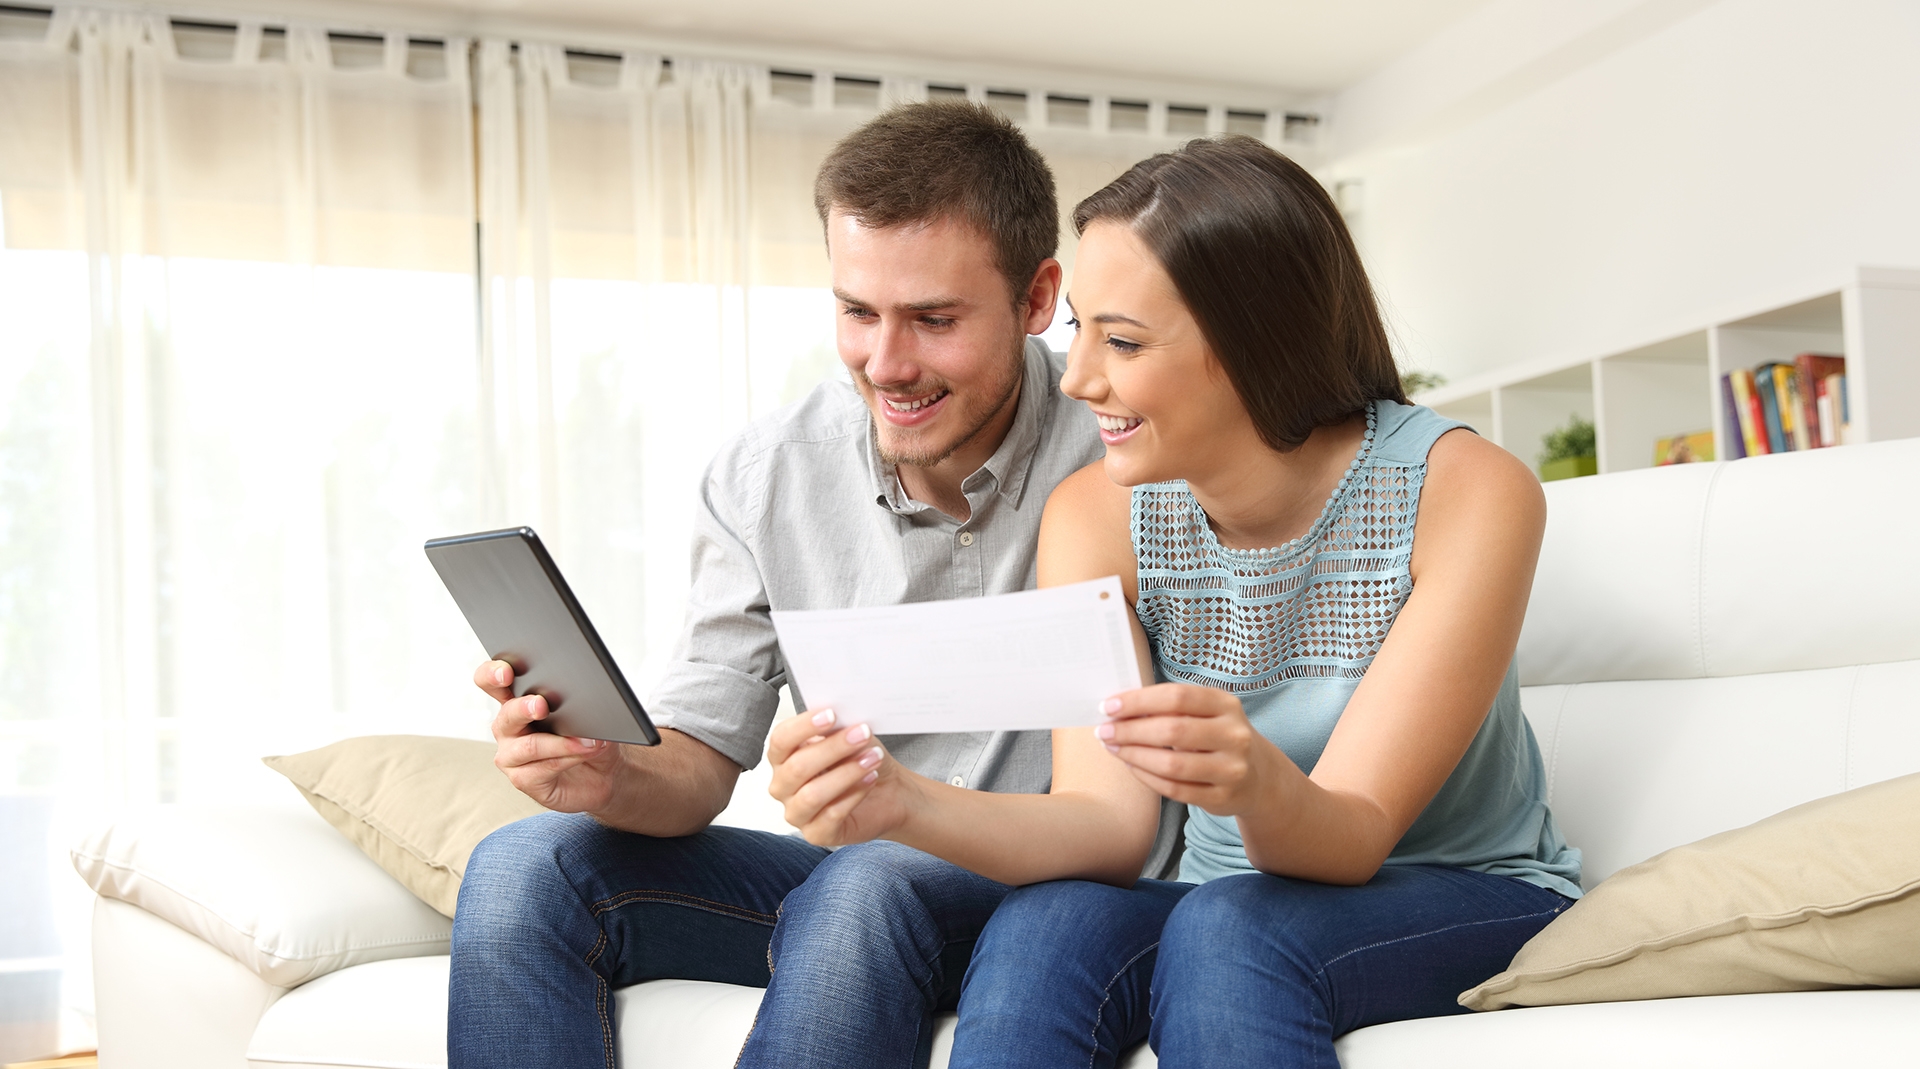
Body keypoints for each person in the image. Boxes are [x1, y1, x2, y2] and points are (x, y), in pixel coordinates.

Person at [773, 135, 1584, 1068]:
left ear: (1255, 341)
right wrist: (896, 797)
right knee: (1050, 923)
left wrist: (1254, 781)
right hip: (1221, 900)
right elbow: (1110, 826)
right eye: (1078, 329)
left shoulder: (1465, 489)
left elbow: (1354, 833)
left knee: (1235, 926)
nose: (1076, 377)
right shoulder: (1097, 514)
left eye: (1120, 340)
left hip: (1465, 889)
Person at [446, 101, 1181, 1069]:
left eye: (934, 319)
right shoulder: (765, 476)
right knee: (522, 865)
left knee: (867, 881)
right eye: (856, 312)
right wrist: (610, 772)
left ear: (1040, 298)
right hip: (864, 896)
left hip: (1066, 893)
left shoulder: (1132, 448)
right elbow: (700, 759)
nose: (887, 363)